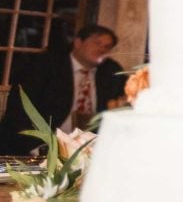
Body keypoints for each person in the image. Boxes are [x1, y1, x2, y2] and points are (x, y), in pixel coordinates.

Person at [0, 24, 126, 154]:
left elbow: (120, 110)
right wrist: (39, 148)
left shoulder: (112, 72)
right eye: (97, 43)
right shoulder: (45, 65)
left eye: (107, 47)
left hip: (89, 149)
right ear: (78, 42)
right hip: (38, 144)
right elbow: (20, 111)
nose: (102, 49)